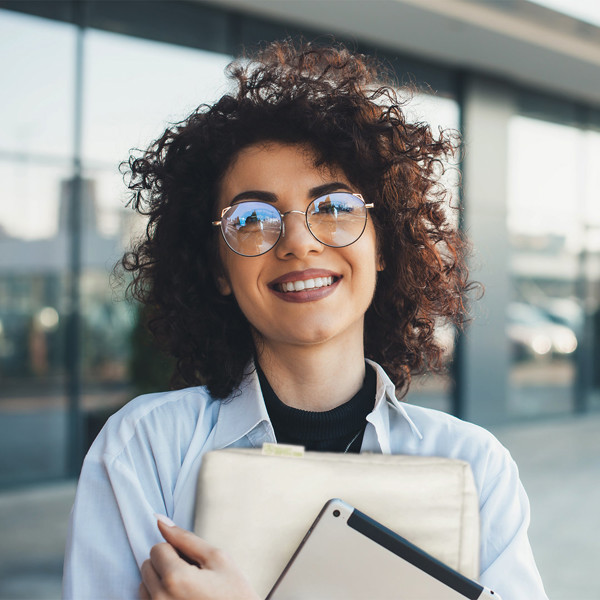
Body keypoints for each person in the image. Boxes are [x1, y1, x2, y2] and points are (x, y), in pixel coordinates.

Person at [62, 41, 548, 600]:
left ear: (383, 245)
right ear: (219, 267)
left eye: (335, 208)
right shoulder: (146, 449)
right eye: (252, 218)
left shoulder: (475, 467)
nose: (298, 242)